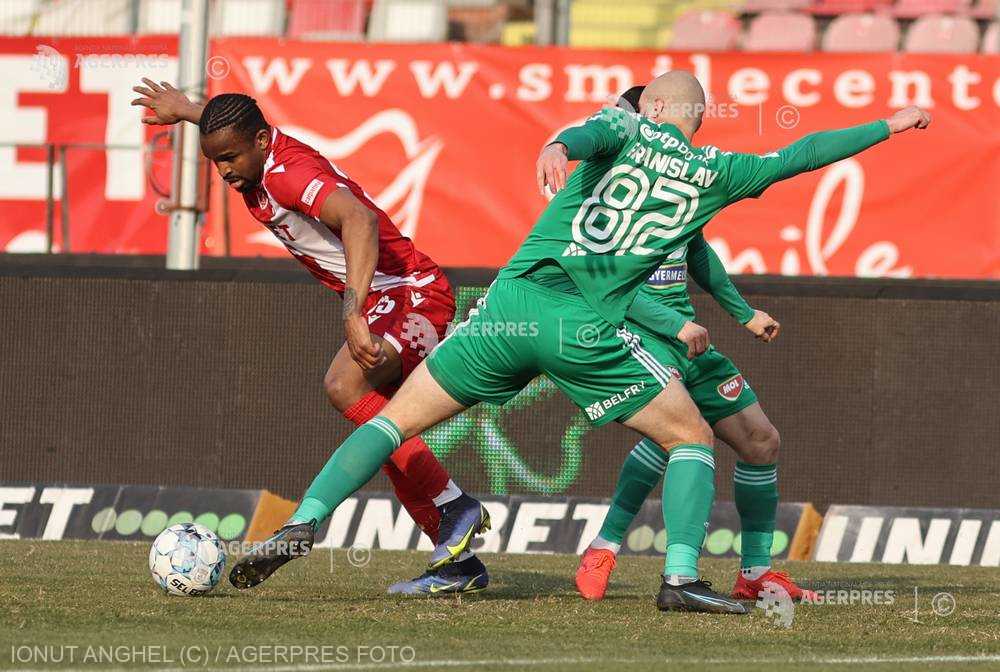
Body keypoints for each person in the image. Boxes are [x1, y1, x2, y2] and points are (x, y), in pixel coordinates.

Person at [230, 70, 930, 614]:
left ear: (649, 109)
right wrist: (890, 126)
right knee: (689, 438)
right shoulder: (719, 172)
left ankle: (309, 517)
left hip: (507, 307)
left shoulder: (621, 131)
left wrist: (557, 144)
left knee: (389, 421)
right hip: (582, 328)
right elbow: (802, 153)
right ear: (694, 119)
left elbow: (589, 134)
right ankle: (681, 577)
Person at [131, 80, 490, 596]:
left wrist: (352, 311)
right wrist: (189, 110)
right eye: (216, 162)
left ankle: (453, 506)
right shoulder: (257, 148)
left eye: (230, 158)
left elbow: (360, 221)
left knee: (345, 385)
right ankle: (456, 559)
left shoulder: (288, 175)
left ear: (259, 142)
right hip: (388, 297)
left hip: (413, 292)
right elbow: (233, 124)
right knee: (385, 438)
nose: (226, 170)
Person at [575, 85, 810, 603]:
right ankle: (612, 546)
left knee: (761, 441)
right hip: (633, 334)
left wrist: (744, 314)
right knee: (682, 436)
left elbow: (697, 252)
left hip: (684, 336)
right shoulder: (610, 186)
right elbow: (598, 281)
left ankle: (754, 575)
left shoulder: (677, 182)